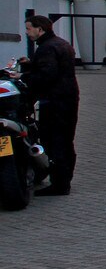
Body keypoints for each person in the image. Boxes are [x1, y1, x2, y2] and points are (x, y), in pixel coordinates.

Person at [21, 14, 78, 195]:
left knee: (54, 141)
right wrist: (31, 65)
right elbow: (55, 68)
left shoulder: (46, 48)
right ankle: (64, 180)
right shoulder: (61, 44)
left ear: (40, 29)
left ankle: (59, 184)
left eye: (29, 28)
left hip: (54, 101)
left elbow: (47, 75)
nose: (27, 32)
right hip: (68, 99)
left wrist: (23, 76)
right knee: (65, 140)